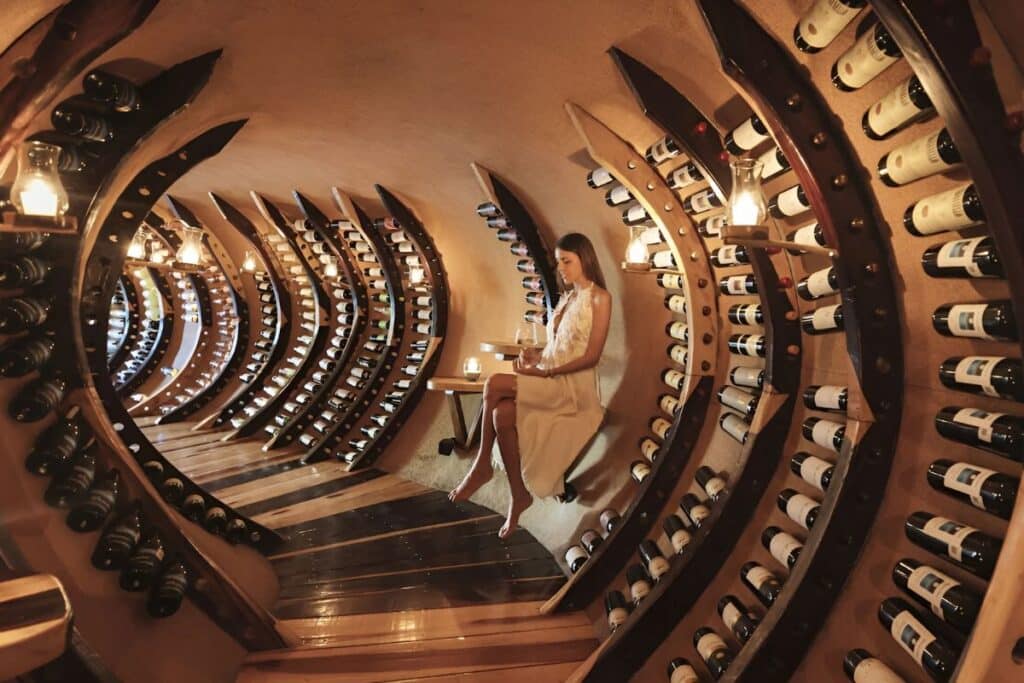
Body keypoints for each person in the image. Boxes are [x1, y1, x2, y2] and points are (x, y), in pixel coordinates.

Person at [449, 232, 611, 538]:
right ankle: (518, 495)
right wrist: (535, 357)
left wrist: (546, 374)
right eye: (559, 261)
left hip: (572, 390)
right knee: (501, 415)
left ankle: (482, 464)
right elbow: (559, 347)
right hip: (551, 377)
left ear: (585, 260)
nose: (561, 268)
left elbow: (591, 357)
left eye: (567, 261)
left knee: (495, 383)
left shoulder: (600, 298)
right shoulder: (568, 299)